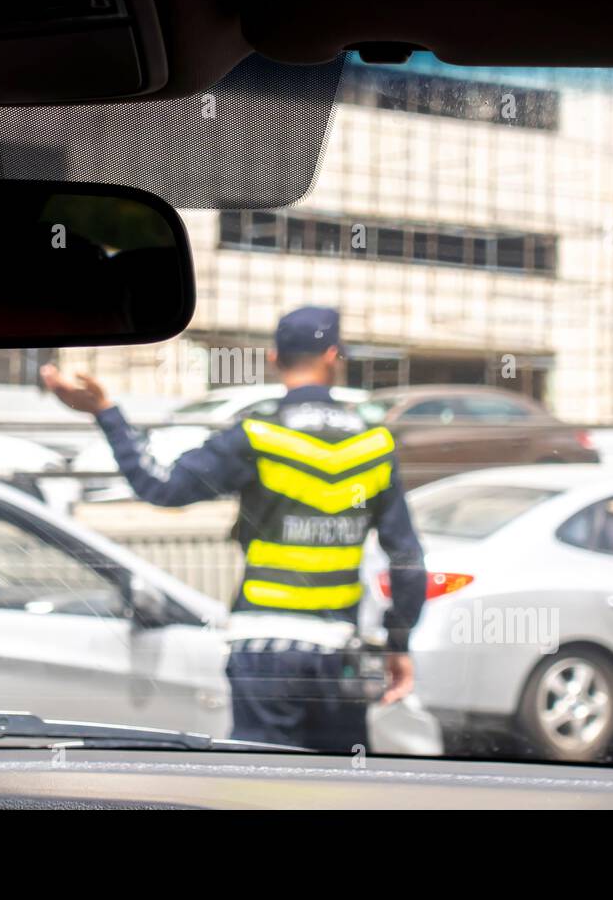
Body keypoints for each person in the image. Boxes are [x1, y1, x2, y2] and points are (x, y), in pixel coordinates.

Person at [41, 306, 427, 752]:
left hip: (265, 651)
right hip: (339, 655)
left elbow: (160, 486)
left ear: (272, 358)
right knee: (339, 785)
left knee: (260, 783)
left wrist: (105, 411)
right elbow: (407, 561)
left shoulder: (258, 436)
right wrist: (399, 642)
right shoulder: (374, 445)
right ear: (333, 356)